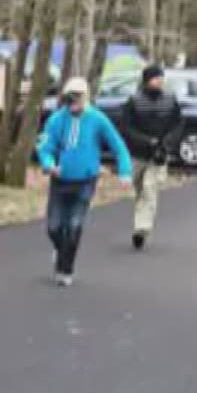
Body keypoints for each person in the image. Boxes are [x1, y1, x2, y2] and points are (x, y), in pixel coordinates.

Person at [35, 76, 132, 286]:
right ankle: (60, 250)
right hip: (60, 180)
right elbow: (45, 145)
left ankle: (65, 269)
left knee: (74, 225)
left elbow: (118, 146)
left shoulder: (98, 119)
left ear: (86, 98)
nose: (73, 103)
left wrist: (124, 172)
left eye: (77, 98)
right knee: (54, 227)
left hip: (85, 180)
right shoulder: (57, 119)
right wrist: (48, 163)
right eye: (69, 99)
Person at [118, 64, 181, 250]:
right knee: (139, 189)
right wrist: (147, 141)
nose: (159, 81)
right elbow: (126, 128)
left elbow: (178, 124)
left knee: (149, 189)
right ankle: (141, 220)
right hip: (138, 154)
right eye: (156, 78)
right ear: (147, 80)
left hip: (159, 156)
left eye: (161, 77)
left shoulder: (170, 100)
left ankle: (142, 229)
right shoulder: (134, 101)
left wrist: (166, 144)